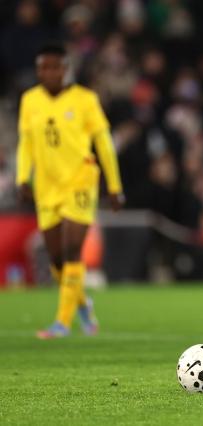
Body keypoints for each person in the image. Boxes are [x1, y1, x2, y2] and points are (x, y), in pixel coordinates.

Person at [16, 43, 124, 339]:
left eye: (54, 67)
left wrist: (114, 186)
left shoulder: (85, 99)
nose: (49, 73)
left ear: (65, 69)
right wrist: (22, 177)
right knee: (56, 259)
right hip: (46, 186)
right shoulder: (30, 100)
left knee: (72, 249)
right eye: (43, 68)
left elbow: (103, 143)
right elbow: (26, 143)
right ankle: (82, 303)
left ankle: (62, 322)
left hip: (80, 181)